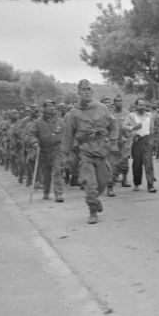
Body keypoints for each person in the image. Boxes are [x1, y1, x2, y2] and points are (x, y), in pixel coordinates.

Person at [62, 79, 120, 224]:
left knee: (104, 178)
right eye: (83, 90)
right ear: (79, 92)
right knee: (90, 182)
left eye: (88, 89)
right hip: (85, 151)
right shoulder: (74, 113)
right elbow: (68, 133)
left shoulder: (103, 108)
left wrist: (113, 141)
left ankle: (95, 198)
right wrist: (65, 154)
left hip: (102, 150)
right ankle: (93, 210)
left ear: (92, 91)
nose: (86, 92)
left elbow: (114, 125)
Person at [25, 100, 66, 202]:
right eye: (48, 106)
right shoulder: (37, 122)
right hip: (43, 150)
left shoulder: (60, 121)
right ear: (44, 109)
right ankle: (46, 192)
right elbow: (30, 134)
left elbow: (66, 134)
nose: (51, 108)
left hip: (57, 149)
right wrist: (34, 142)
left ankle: (58, 193)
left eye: (53, 105)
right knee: (46, 172)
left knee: (57, 170)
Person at [122, 99, 157, 193]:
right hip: (137, 141)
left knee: (148, 163)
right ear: (136, 106)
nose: (142, 106)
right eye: (140, 105)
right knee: (137, 164)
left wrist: (153, 142)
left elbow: (152, 129)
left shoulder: (150, 116)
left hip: (147, 141)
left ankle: (150, 185)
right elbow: (124, 126)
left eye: (144, 105)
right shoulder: (131, 116)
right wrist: (133, 128)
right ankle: (137, 183)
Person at [111, 94, 132, 189]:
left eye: (121, 101)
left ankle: (125, 179)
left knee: (125, 161)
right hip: (114, 141)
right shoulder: (110, 113)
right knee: (113, 162)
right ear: (114, 102)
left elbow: (131, 126)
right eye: (117, 101)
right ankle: (112, 179)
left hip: (124, 141)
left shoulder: (127, 113)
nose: (119, 103)